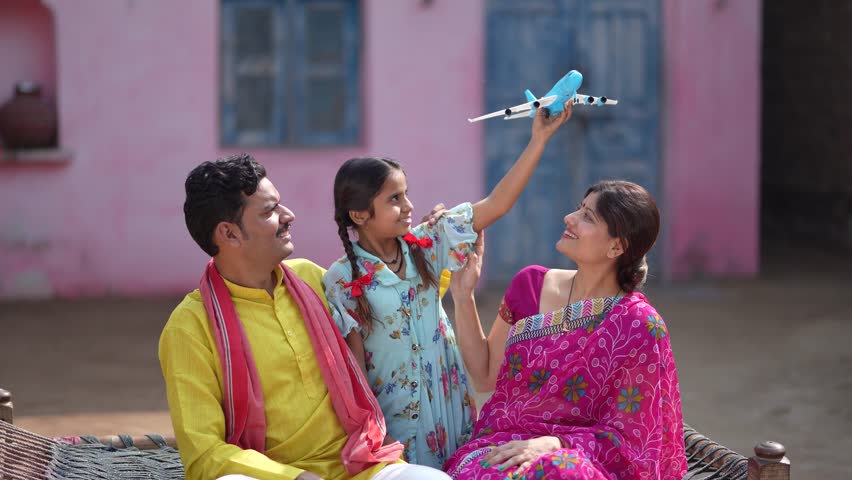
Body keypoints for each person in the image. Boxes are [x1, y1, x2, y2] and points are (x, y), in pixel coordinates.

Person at [159, 154, 452, 480]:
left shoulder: (313, 280)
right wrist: (293, 477)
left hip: (359, 468)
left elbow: (394, 310)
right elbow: (204, 455)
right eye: (270, 211)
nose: (288, 215)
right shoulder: (190, 327)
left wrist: (427, 249)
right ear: (229, 234)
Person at [322, 105, 574, 468]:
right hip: (396, 423)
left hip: (450, 406)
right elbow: (355, 370)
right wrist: (376, 433)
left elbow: (497, 204)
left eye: (406, 194)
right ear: (359, 214)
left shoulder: (429, 242)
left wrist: (539, 139)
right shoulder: (341, 279)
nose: (408, 206)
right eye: (394, 199)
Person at [444, 180, 687, 479]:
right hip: (501, 448)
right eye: (578, 209)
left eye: (588, 217)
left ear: (617, 246)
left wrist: (555, 443)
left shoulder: (638, 326)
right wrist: (463, 296)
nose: (569, 218)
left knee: (562, 471)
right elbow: (484, 376)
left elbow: (634, 438)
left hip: (582, 462)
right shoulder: (530, 285)